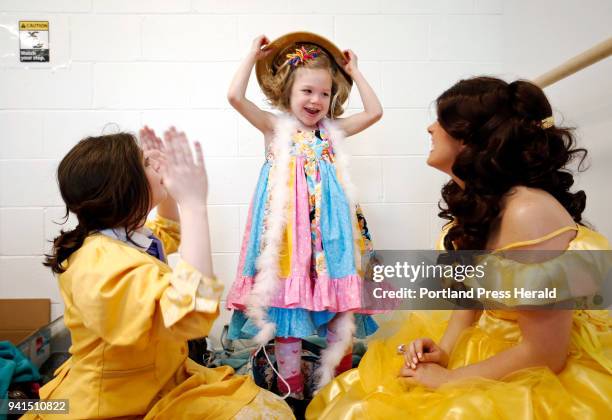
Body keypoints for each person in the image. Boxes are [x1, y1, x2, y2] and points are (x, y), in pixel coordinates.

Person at [307, 77, 612, 419]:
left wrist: (451, 380)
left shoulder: (527, 212)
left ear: (472, 140)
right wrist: (445, 349)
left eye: (442, 121)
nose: (430, 128)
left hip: (538, 361)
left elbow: (546, 354)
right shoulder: (483, 201)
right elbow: (473, 292)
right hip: (498, 341)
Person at [26, 128, 293, 419]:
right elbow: (191, 316)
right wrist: (193, 205)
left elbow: (168, 232)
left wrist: (165, 186)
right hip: (118, 400)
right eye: (145, 164)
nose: (155, 165)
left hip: (160, 377)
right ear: (125, 188)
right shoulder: (99, 264)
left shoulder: (118, 237)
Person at [225, 31, 383, 398]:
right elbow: (234, 96)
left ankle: (340, 385)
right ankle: (292, 388)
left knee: (340, 310)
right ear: (287, 93)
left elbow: (375, 112)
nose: (316, 100)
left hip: (330, 235)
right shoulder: (275, 127)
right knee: (288, 312)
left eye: (325, 93)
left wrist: (354, 72)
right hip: (287, 238)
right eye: (307, 91)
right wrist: (252, 55)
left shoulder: (332, 131)